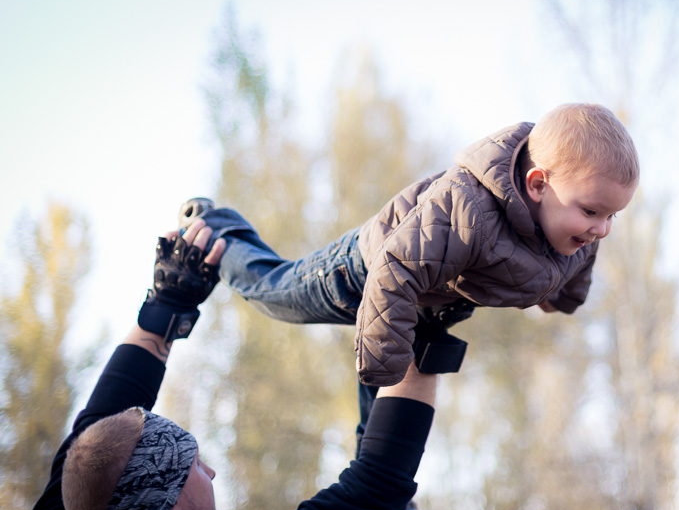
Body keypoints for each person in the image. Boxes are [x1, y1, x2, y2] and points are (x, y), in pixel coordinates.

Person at [16, 219, 438, 510]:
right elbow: (372, 494)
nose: (212, 472)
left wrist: (167, 305)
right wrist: (419, 324)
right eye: (196, 465)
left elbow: (95, 440)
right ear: (169, 505)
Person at [190, 102, 639, 438]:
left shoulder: (577, 233)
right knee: (275, 292)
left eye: (612, 216)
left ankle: (377, 490)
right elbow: (395, 269)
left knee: (381, 415)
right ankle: (215, 232)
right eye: (591, 211)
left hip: (421, 304)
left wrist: (564, 298)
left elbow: (577, 264)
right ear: (537, 184)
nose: (601, 229)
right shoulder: (467, 207)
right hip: (364, 273)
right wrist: (386, 364)